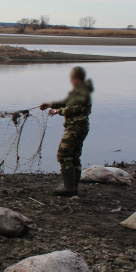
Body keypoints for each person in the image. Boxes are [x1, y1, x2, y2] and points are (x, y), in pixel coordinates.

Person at [39, 66, 94, 196]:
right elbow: (67, 103)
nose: (70, 81)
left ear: (76, 78)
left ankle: (69, 188)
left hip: (75, 127)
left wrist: (57, 111)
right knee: (74, 156)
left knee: (63, 155)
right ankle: (73, 187)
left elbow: (72, 109)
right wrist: (50, 104)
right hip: (80, 126)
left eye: (72, 78)